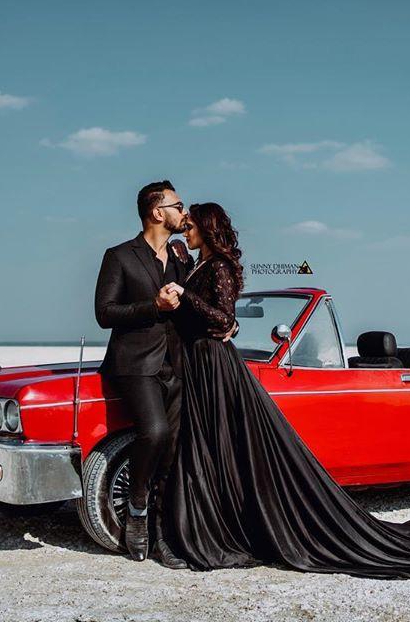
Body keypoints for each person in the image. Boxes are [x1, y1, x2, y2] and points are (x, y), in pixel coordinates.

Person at [158, 202, 410, 580]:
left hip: (215, 367)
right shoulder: (200, 263)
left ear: (207, 226)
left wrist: (186, 297)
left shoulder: (220, 267)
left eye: (192, 224)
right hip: (198, 367)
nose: (186, 229)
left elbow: (225, 318)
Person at [93, 181, 235, 567]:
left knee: (174, 448)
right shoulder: (119, 256)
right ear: (158, 212)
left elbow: (203, 301)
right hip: (135, 364)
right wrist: (152, 305)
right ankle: (136, 508)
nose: (183, 212)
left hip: (178, 362)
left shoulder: (181, 257)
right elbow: (104, 313)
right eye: (177, 204)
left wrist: (227, 325)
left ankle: (163, 536)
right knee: (154, 432)